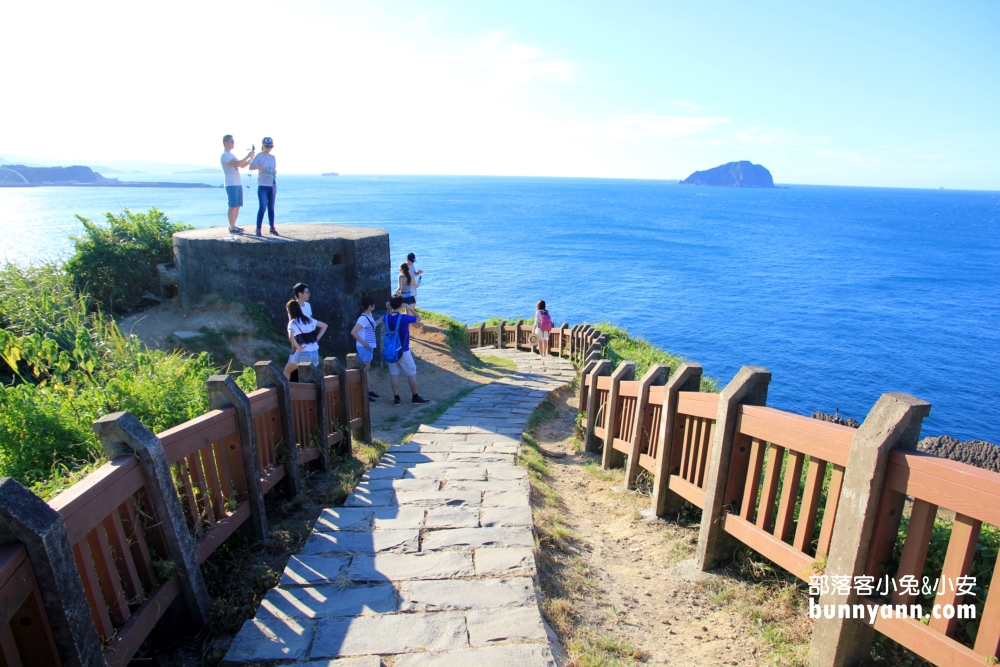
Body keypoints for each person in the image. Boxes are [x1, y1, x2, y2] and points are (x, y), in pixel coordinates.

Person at [384, 295, 430, 405]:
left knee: (394, 374)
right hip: (404, 350)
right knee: (411, 373)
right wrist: (409, 308)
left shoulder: (386, 317)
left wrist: (388, 308)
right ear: (401, 305)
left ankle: (397, 398)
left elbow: (388, 315)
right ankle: (415, 397)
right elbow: (419, 318)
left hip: (391, 350)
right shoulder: (404, 318)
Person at [283, 299, 327, 379]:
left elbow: (291, 337)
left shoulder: (293, 323)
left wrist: (299, 348)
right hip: (314, 353)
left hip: (303, 353)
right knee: (309, 376)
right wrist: (316, 339)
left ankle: (287, 390)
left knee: (287, 371)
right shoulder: (308, 319)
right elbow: (324, 326)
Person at [220, 135, 255, 233]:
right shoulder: (225, 155)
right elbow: (237, 164)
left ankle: (233, 226)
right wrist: (248, 156)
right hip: (231, 184)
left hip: (237, 183)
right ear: (225, 142)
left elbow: (242, 165)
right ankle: (232, 227)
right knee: (232, 206)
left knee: (237, 205)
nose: (233, 143)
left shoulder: (231, 155)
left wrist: (250, 159)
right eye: (231, 141)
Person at [351, 295, 382, 403]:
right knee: (365, 369)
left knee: (366, 369)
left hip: (368, 346)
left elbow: (373, 325)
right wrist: (364, 343)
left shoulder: (368, 316)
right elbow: (353, 332)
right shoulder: (363, 318)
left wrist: (383, 318)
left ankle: (368, 390)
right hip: (365, 347)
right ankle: (365, 391)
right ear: (370, 306)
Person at [249, 137, 279, 236]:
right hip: (262, 185)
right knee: (262, 207)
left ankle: (272, 227)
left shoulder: (272, 157)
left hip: (272, 184)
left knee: (271, 207)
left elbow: (274, 170)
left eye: (271, 146)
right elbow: (251, 166)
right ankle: (258, 229)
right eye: (267, 146)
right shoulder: (259, 156)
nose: (269, 148)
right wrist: (262, 168)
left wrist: (274, 171)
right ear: (263, 146)